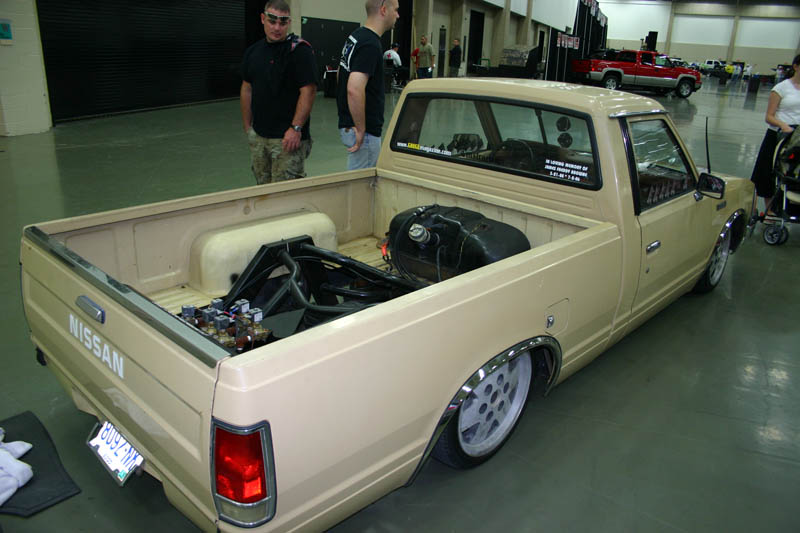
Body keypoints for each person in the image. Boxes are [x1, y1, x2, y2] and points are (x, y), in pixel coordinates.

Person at [240, 0, 318, 184]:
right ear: (262, 19)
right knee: (262, 188)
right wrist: (248, 128)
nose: (277, 27)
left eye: (282, 22)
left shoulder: (300, 52)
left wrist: (296, 128)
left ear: (288, 23)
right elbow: (247, 88)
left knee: (285, 194)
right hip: (259, 136)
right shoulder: (253, 52)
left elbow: (308, 91)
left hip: (287, 139)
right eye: (272, 21)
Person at [337, 0, 400, 170]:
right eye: (396, 10)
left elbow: (340, 73)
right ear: (383, 10)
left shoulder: (356, 36)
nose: (398, 15)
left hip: (349, 124)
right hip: (365, 132)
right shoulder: (370, 44)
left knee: (356, 178)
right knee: (363, 183)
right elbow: (354, 88)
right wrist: (361, 128)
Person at [750, 54, 800, 215]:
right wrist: (784, 126)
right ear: (796, 66)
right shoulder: (781, 88)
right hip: (779, 136)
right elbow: (769, 116)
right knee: (768, 173)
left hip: (798, 138)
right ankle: (770, 211)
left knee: (792, 174)